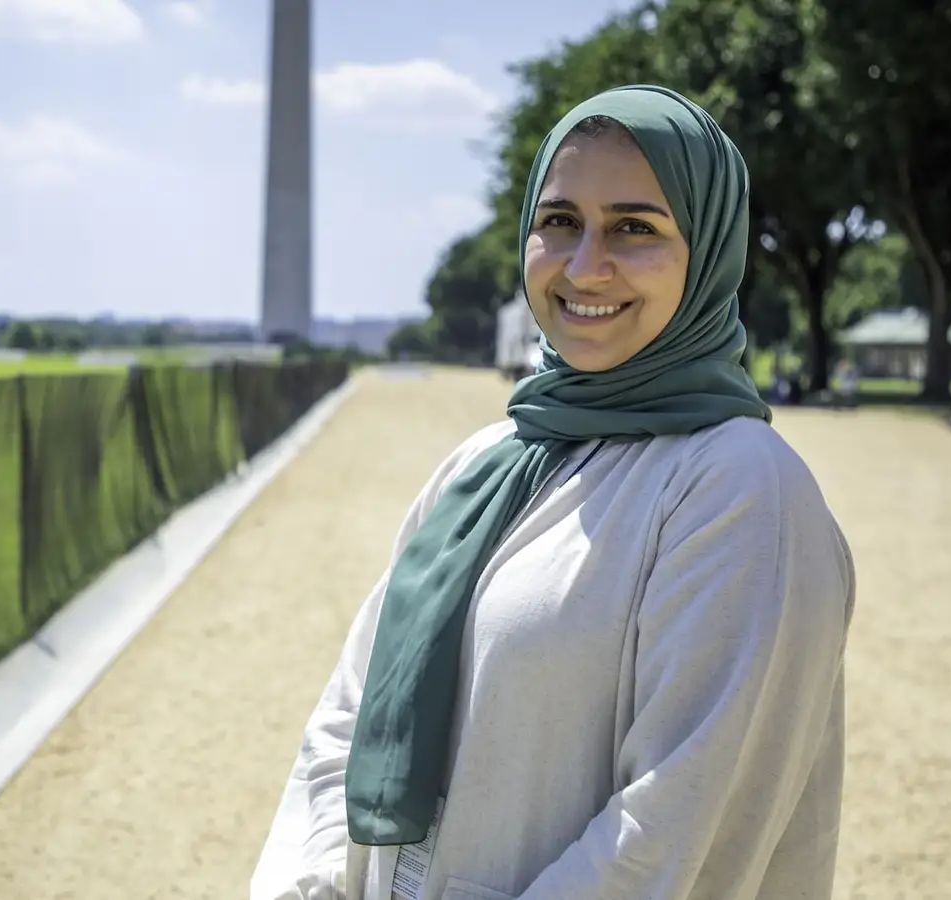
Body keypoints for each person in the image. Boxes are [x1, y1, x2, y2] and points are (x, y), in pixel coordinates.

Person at [250, 85, 855, 900]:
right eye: (559, 221)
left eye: (635, 228)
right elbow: (347, 718)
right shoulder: (487, 461)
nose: (583, 265)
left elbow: (674, 829)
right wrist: (313, 886)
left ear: (710, 251)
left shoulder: (742, 490)